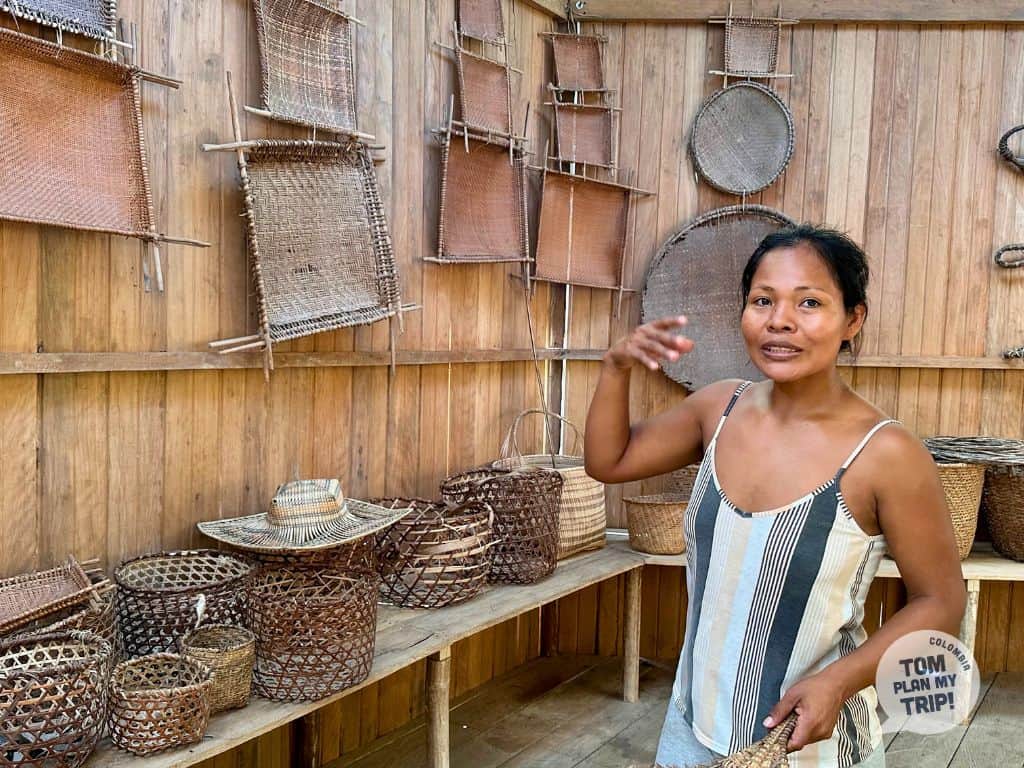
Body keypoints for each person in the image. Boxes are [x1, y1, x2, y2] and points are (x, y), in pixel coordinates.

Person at [584, 225, 966, 767]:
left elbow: (942, 601)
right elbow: (609, 461)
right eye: (763, 300)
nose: (779, 319)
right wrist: (615, 368)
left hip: (810, 742)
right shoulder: (718, 409)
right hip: (694, 725)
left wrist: (838, 683)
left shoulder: (885, 453)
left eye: (809, 302)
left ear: (852, 320)